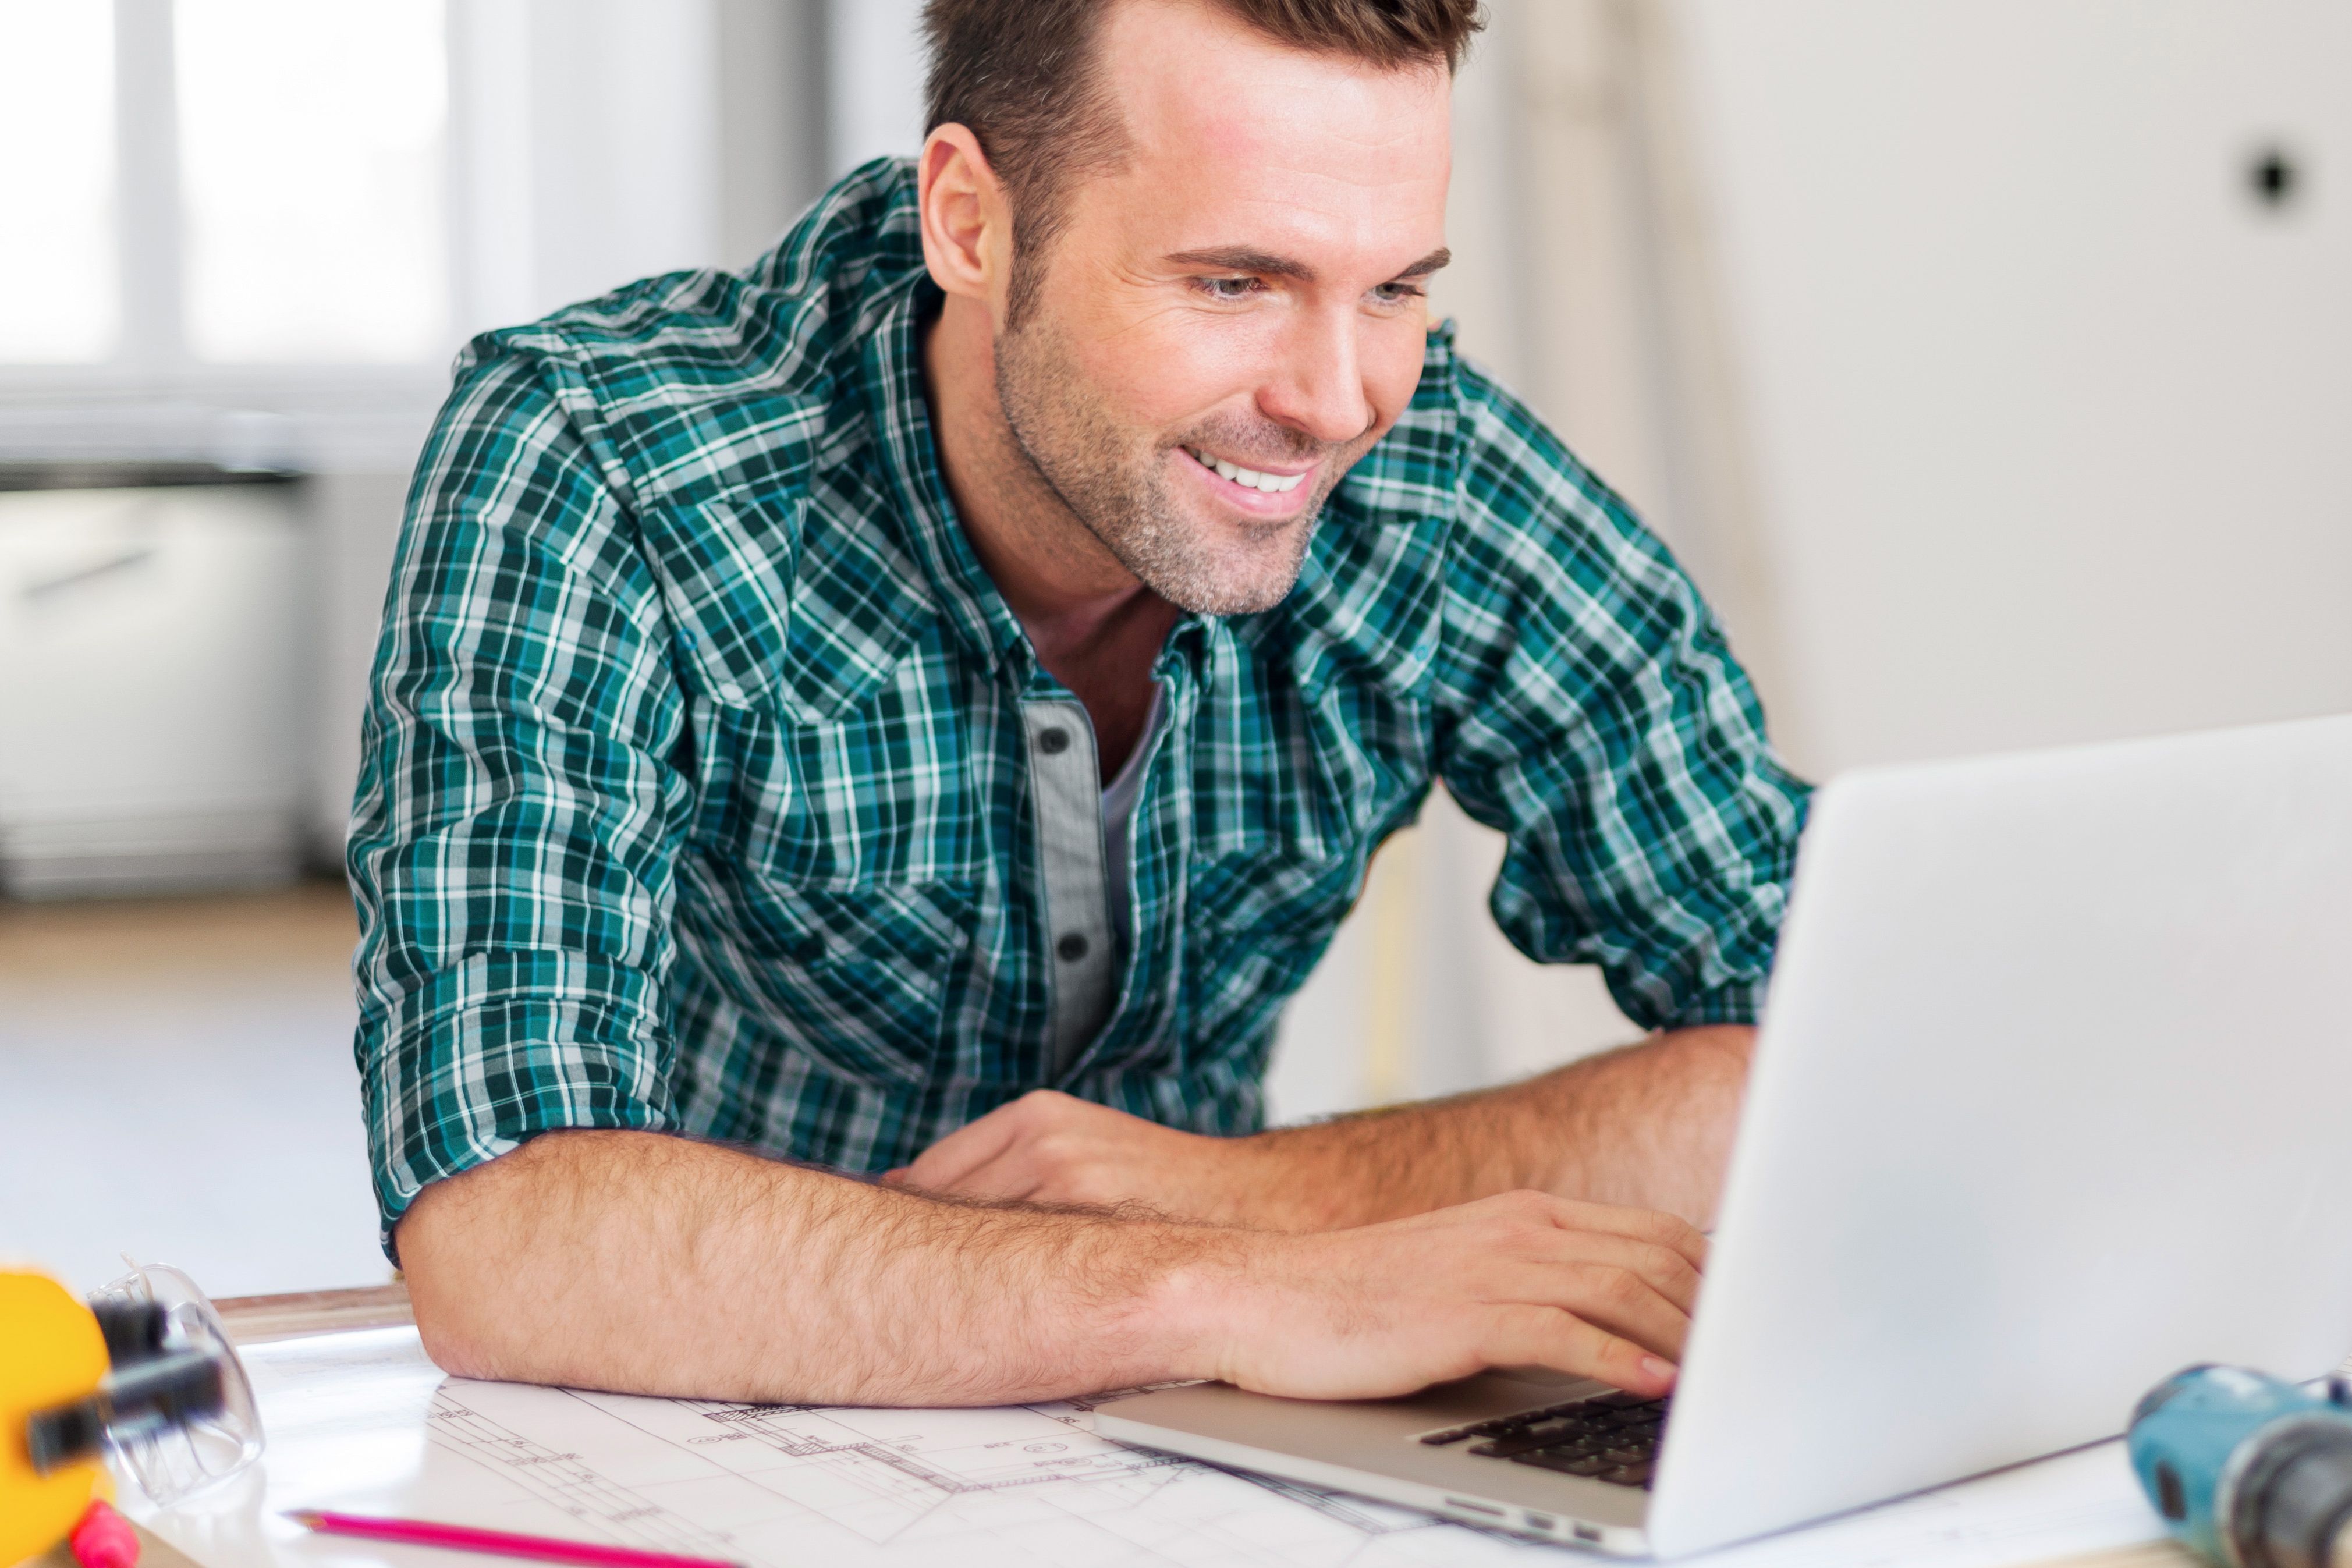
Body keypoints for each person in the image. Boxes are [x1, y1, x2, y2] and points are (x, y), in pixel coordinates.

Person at [352, 0, 1808, 1409]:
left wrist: (1263, 1199)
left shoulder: (1437, 485)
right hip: (713, 1403)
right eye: (1233, 283)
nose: (1337, 399)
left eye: (1394, 288)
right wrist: (1236, 1287)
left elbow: (1823, 1036)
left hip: (1221, 1432)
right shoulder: (606, 457)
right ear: (970, 225)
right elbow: (506, 1231)